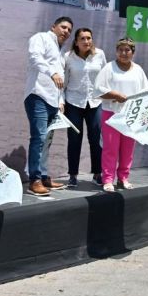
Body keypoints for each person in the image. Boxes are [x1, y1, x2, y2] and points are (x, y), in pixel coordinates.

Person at [25, 16, 73, 197]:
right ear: (53, 27)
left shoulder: (61, 51)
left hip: (54, 101)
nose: (66, 31)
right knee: (38, 138)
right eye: (63, 27)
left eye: (69, 30)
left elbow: (61, 79)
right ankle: (34, 180)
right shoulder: (41, 38)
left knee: (47, 140)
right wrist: (52, 72)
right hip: (37, 95)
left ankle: (44, 176)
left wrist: (61, 101)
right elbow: (35, 57)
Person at [95, 37, 148, 192]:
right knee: (110, 149)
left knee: (127, 149)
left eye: (127, 50)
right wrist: (114, 95)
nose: (124, 53)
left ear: (133, 52)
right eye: (120, 50)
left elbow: (146, 92)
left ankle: (123, 178)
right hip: (111, 114)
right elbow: (98, 90)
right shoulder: (109, 68)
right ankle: (108, 180)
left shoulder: (138, 70)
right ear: (116, 51)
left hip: (131, 116)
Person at [62, 27, 107, 187]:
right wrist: (61, 101)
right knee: (74, 139)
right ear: (76, 42)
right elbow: (63, 82)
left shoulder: (99, 54)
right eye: (82, 38)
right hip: (73, 102)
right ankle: (73, 175)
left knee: (96, 138)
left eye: (89, 38)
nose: (86, 41)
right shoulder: (68, 57)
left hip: (95, 102)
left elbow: (105, 78)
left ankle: (97, 173)